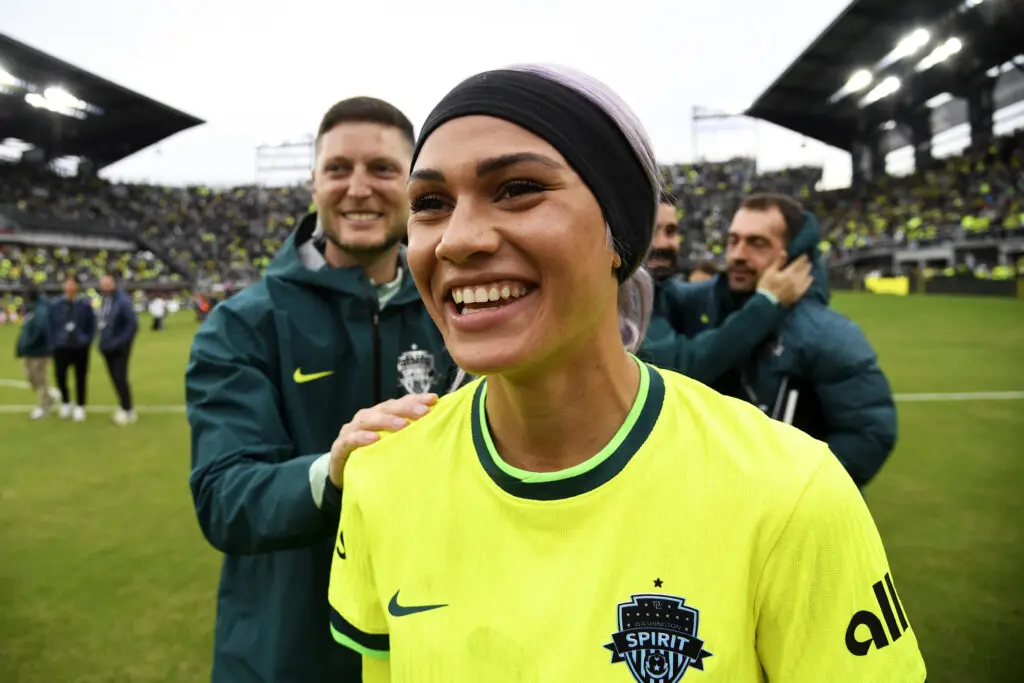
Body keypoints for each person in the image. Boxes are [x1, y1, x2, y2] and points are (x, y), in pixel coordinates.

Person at [326, 65, 926, 681]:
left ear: (622, 233)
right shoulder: (383, 473)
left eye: (518, 188)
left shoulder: (794, 493)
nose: (457, 239)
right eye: (429, 203)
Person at [186, 96, 463, 683]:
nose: (358, 187)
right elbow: (224, 494)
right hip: (285, 648)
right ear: (314, 182)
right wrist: (331, 473)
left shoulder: (458, 307)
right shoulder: (243, 323)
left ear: (414, 185)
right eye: (339, 169)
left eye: (383, 169)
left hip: (429, 645)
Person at [660, 192, 897, 488]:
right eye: (733, 240)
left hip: (777, 518)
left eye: (757, 243)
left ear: (792, 257)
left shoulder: (827, 333)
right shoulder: (698, 302)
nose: (737, 255)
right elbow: (651, 294)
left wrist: (789, 493)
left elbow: (868, 434)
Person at [638, 192, 813, 385]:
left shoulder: (661, 290)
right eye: (651, 230)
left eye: (671, 231)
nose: (663, 243)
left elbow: (689, 293)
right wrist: (767, 301)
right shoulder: (622, 301)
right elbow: (681, 367)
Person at [49, 276, 95, 422]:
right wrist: (54, 342)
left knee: (80, 377)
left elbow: (92, 324)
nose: (69, 287)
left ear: (76, 287)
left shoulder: (84, 305)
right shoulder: (56, 305)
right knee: (60, 376)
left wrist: (87, 340)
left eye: (72, 284)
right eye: (67, 284)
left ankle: (80, 406)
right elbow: (49, 325)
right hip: (61, 346)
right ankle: (66, 402)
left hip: (80, 346)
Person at [97, 275, 139, 426]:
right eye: (102, 284)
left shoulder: (122, 300)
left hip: (119, 348)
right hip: (107, 347)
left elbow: (132, 325)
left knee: (120, 377)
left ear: (113, 283)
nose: (105, 286)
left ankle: (128, 410)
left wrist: (121, 342)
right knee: (114, 378)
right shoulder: (105, 300)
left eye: (107, 283)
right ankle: (123, 406)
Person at [15, 288, 60, 419]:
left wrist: (29, 342)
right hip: (30, 351)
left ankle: (44, 407)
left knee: (39, 378)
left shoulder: (40, 309)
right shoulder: (33, 309)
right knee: (31, 378)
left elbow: (41, 329)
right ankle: (50, 397)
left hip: (39, 351)